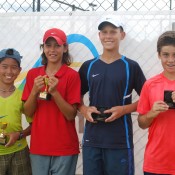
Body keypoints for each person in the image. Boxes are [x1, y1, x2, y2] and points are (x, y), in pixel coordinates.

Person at [78, 15, 146, 175]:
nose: (108, 36)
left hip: (120, 141)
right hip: (92, 140)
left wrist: (124, 109)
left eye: (113, 32)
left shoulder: (131, 66)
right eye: (104, 32)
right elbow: (75, 97)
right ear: (99, 35)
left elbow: (146, 98)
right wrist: (84, 109)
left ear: (122, 35)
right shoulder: (88, 66)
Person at [22, 28, 81, 175]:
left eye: (57, 45)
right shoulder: (33, 75)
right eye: (48, 45)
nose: (52, 50)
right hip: (39, 147)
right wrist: (35, 91)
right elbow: (28, 112)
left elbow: (70, 115)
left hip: (65, 148)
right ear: (43, 48)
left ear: (65, 48)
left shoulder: (71, 76)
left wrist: (55, 92)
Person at [137, 31, 175, 175]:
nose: (170, 60)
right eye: (166, 55)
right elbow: (141, 123)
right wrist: (151, 113)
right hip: (156, 163)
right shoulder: (150, 84)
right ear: (159, 55)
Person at [0, 48, 32, 175]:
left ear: (19, 71)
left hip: (19, 153)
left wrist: (18, 135)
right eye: (4, 66)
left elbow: (34, 125)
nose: (9, 71)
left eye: (14, 67)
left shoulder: (23, 96)